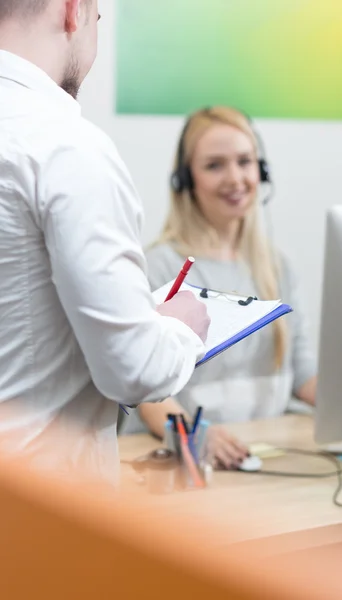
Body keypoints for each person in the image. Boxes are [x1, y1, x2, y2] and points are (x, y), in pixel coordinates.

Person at [0, 0, 210, 483]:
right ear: (74, 10)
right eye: (98, 20)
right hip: (42, 512)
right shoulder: (67, 147)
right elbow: (132, 370)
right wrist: (180, 330)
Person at [120, 106, 317, 470]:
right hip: (189, 459)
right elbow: (142, 386)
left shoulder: (277, 266)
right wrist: (194, 434)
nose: (235, 178)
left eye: (245, 161)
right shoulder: (160, 266)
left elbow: (303, 374)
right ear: (185, 180)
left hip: (262, 453)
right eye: (214, 165)